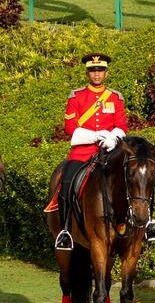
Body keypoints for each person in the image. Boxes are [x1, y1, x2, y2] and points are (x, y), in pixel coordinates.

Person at [45, 53, 126, 251]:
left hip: (109, 152)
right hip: (82, 153)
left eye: (100, 70)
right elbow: (70, 126)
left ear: (106, 72)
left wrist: (112, 138)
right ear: (87, 72)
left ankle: (141, 225)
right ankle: (65, 232)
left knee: (134, 178)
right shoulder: (77, 96)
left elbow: (122, 125)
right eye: (93, 70)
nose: (96, 74)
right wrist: (94, 135)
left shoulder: (115, 98)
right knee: (65, 185)